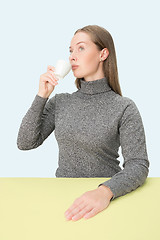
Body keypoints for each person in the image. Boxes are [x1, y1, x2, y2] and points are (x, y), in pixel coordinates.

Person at [17, 25, 150, 222]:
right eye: (70, 50)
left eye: (81, 48)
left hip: (108, 201)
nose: (72, 56)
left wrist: (105, 191)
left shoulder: (124, 107)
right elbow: (26, 142)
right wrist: (42, 96)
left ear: (103, 54)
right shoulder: (60, 102)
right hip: (63, 200)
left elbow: (138, 164)